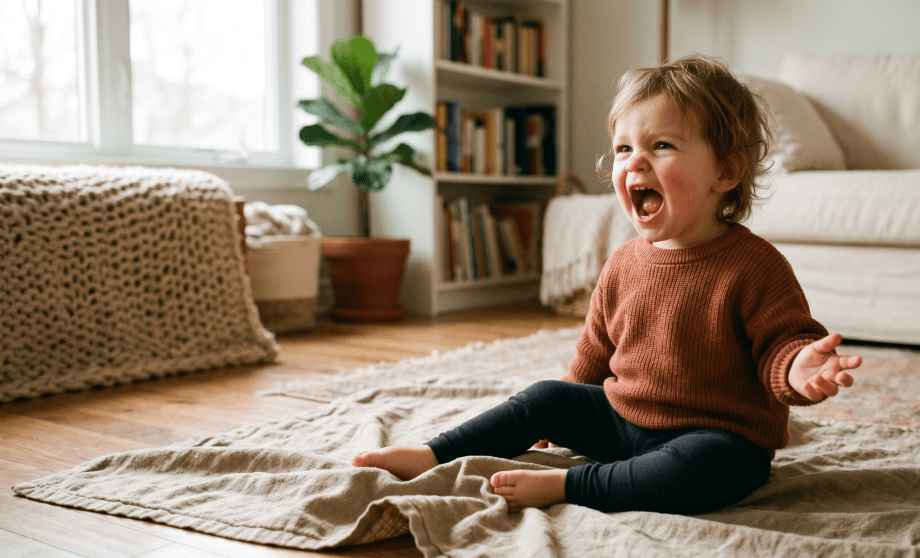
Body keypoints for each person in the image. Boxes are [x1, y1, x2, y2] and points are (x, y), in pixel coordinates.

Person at [352, 54, 861, 515]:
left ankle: (575, 486)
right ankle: (433, 453)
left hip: (713, 436)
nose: (634, 162)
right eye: (623, 148)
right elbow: (596, 349)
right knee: (547, 396)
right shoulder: (623, 263)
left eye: (661, 146)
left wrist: (799, 368)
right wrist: (564, 411)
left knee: (714, 466)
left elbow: (780, 343)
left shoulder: (754, 264)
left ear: (725, 171)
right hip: (623, 421)